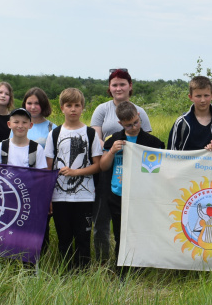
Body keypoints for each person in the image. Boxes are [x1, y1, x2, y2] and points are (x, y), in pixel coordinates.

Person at [91, 68, 153, 261]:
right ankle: (103, 259)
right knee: (102, 218)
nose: (118, 88)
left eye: (122, 84)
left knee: (132, 219)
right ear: (109, 88)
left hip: (134, 172)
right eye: (114, 84)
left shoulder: (140, 111)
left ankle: (132, 258)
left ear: (130, 86)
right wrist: (111, 149)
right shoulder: (102, 109)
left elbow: (148, 141)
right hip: (107, 167)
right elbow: (96, 138)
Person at [98, 101, 165, 268]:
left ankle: (140, 267)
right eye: (128, 125)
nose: (134, 127)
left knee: (141, 233)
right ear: (120, 124)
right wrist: (112, 151)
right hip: (118, 195)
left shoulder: (153, 143)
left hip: (143, 196)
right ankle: (121, 268)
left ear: (139, 116)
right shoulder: (114, 140)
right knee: (120, 235)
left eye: (136, 122)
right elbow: (103, 166)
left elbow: (159, 172)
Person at [45, 88, 103, 269]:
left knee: (83, 238)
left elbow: (98, 165)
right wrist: (48, 198)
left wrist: (75, 172)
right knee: (64, 238)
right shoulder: (54, 134)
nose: (73, 109)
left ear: (82, 108)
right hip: (59, 197)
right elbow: (48, 169)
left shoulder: (90, 133)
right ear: (61, 108)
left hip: (84, 196)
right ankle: (66, 273)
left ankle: (83, 274)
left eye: (77, 105)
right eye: (69, 105)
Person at [167, 76, 212, 151]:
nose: (203, 100)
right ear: (190, 97)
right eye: (198, 96)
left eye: (206, 95)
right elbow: (171, 154)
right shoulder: (181, 122)